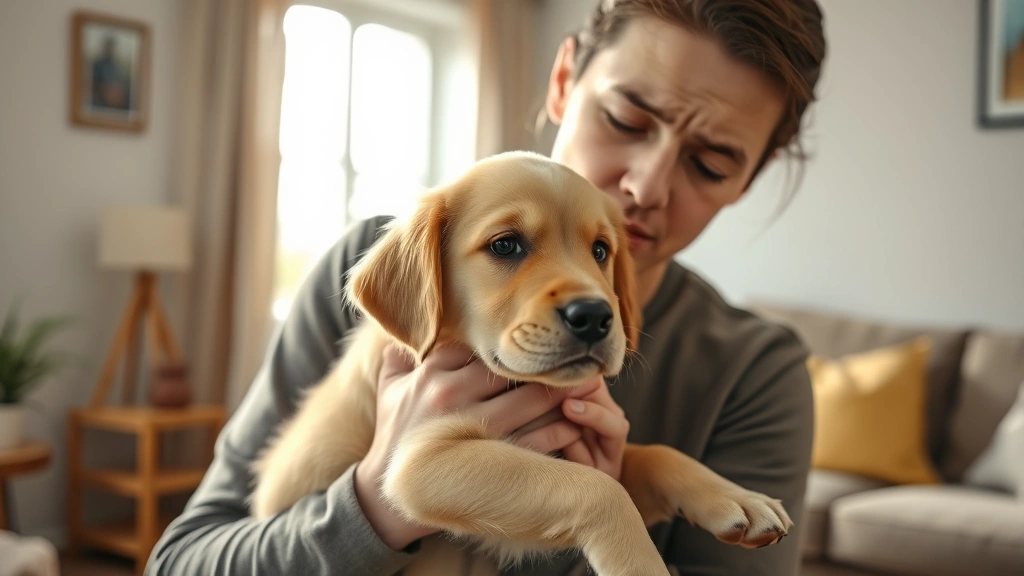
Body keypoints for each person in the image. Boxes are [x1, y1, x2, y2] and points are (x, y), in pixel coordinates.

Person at [146, 0, 827, 574]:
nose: (643, 188)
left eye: (709, 163)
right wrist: (372, 506)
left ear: (749, 179)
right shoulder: (386, 261)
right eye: (625, 120)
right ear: (563, 79)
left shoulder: (757, 374)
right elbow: (181, 560)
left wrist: (606, 490)